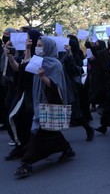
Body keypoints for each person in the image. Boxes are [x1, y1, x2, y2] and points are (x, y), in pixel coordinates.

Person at [14, 36, 75, 178]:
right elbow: (24, 69)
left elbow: (56, 86)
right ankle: (66, 148)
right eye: (37, 45)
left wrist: (43, 77)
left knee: (38, 132)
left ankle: (26, 164)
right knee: (49, 131)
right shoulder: (37, 60)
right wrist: (27, 49)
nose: (38, 47)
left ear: (48, 47)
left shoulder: (55, 64)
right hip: (37, 101)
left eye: (41, 45)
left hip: (48, 101)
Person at [4, 30, 42, 160]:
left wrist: (27, 49)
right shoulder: (24, 54)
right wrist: (9, 56)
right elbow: (17, 68)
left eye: (27, 38)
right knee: (16, 120)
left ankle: (25, 148)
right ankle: (22, 146)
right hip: (21, 92)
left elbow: (27, 68)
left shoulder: (39, 56)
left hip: (33, 94)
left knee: (15, 118)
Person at [62, 38, 95, 141]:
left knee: (74, 112)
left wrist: (70, 54)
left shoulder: (70, 57)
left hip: (70, 87)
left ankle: (88, 129)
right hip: (64, 86)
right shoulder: (60, 56)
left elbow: (73, 69)